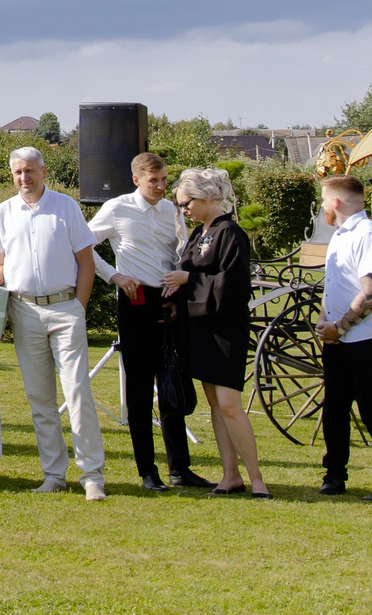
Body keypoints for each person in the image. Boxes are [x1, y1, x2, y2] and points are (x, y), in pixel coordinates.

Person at [0, 146, 106, 500]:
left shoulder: (66, 206)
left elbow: (86, 262)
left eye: (29, 171)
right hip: (24, 312)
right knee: (39, 398)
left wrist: (79, 308)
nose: (24, 178)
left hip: (65, 308)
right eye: (17, 173)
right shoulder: (3, 212)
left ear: (43, 171)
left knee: (77, 393)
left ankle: (92, 476)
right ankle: (54, 474)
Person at [88, 151, 201, 491]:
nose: (162, 186)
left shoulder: (171, 210)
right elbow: (83, 244)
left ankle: (180, 469)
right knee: (139, 388)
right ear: (137, 180)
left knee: (172, 385)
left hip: (168, 302)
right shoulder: (117, 208)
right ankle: (147, 471)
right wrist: (113, 276)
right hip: (135, 301)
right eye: (155, 181)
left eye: (165, 179)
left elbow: (180, 250)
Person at [167, 167, 266, 497]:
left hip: (225, 329)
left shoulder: (230, 233)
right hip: (200, 329)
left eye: (186, 203)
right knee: (214, 401)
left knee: (228, 403)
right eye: (181, 205)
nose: (184, 209)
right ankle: (230, 475)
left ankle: (257, 479)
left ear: (208, 197)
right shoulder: (199, 234)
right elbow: (186, 267)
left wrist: (188, 281)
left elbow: (233, 286)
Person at [314, 175, 372, 501]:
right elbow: (338, 285)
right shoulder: (341, 234)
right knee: (336, 408)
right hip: (340, 338)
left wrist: (339, 327)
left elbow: (371, 292)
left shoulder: (366, 234)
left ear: (336, 202)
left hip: (368, 338)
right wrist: (328, 321)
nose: (324, 205)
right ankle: (335, 475)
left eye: (325, 199)